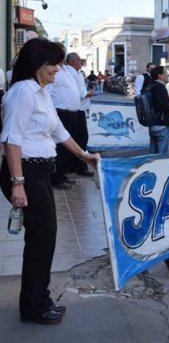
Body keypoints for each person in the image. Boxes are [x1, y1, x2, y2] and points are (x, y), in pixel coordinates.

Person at [0, 38, 99, 325]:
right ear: (38, 64)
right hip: (25, 172)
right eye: (54, 63)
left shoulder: (42, 92)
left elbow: (58, 130)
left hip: (40, 171)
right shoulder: (22, 93)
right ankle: (33, 306)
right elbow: (12, 140)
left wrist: (83, 155)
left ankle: (38, 298)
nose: (58, 68)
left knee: (45, 237)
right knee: (41, 237)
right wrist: (17, 183)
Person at [47, 52, 96, 189]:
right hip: (61, 112)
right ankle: (57, 177)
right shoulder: (54, 70)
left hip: (71, 113)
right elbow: (48, 92)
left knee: (67, 144)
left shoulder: (66, 70)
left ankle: (62, 174)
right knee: (60, 147)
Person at [148, 66, 169, 154]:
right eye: (165, 73)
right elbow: (162, 105)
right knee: (163, 155)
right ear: (160, 75)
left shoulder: (151, 86)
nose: (167, 75)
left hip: (153, 123)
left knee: (153, 155)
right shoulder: (159, 87)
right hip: (162, 124)